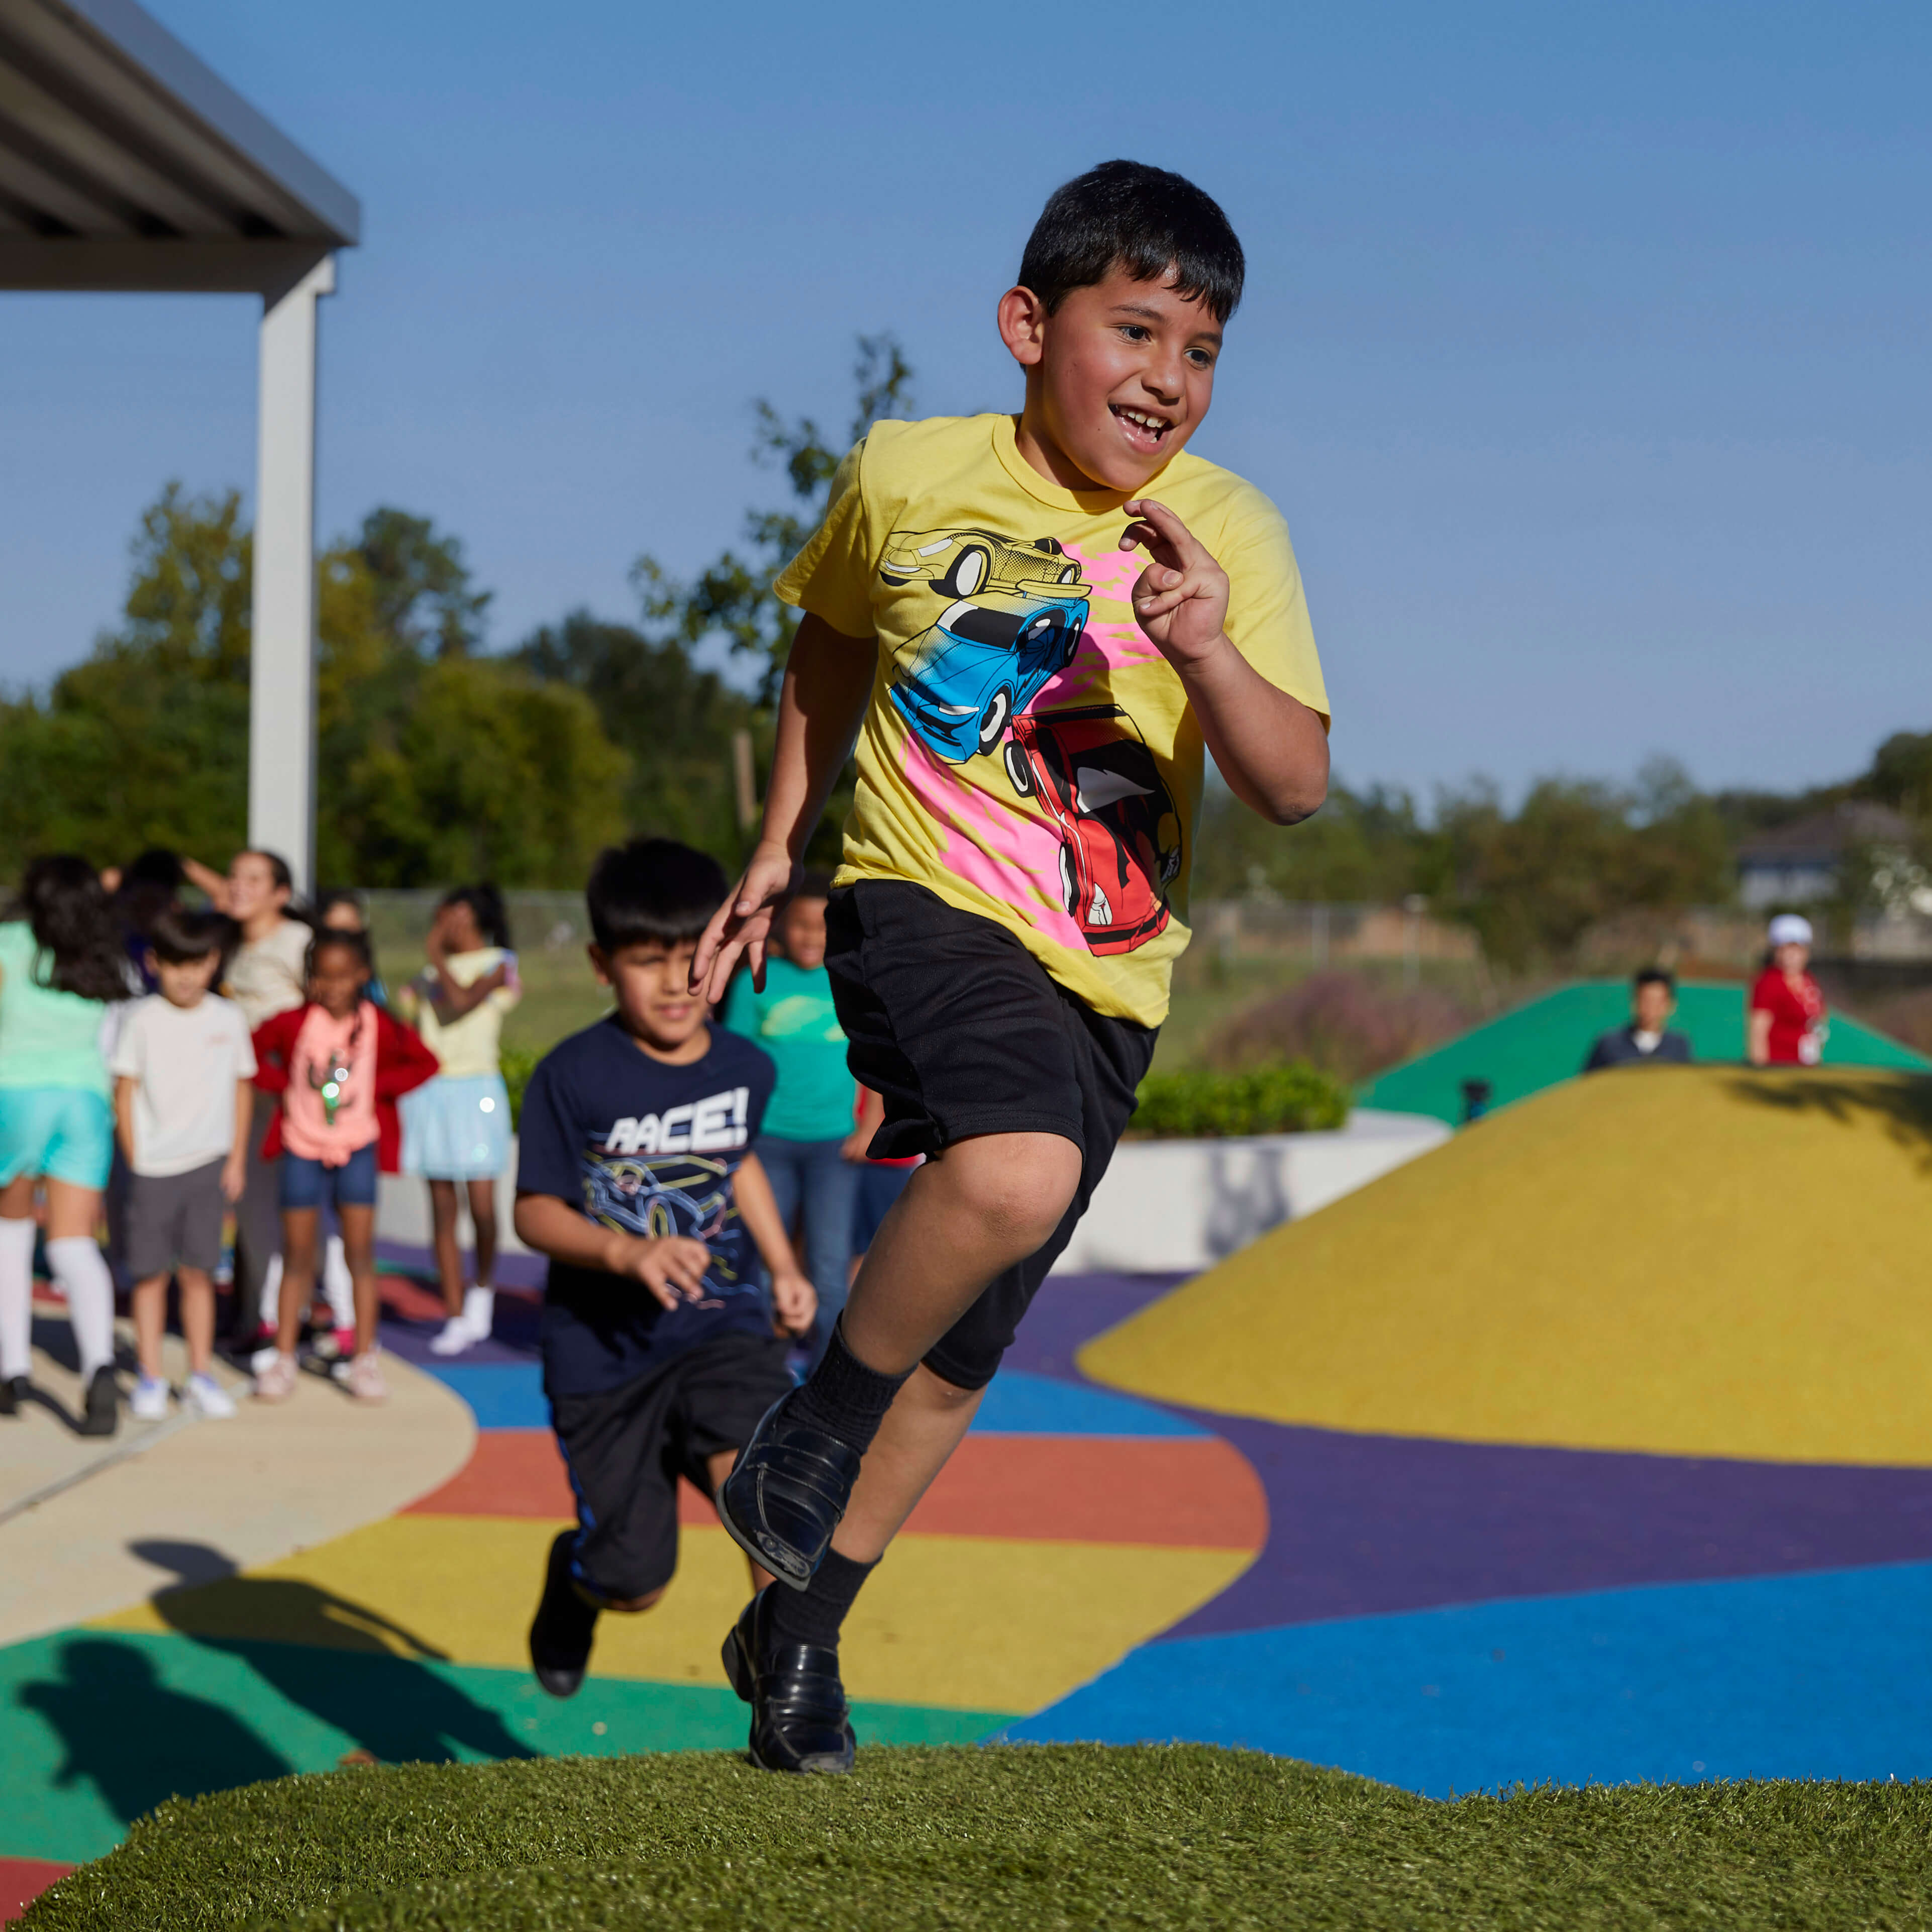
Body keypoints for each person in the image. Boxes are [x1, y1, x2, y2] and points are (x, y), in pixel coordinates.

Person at [689, 159, 1331, 1773]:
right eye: (1135, 332)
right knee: (1017, 1167)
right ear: (1027, 325)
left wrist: (1203, 642)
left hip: (1108, 976)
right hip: (921, 902)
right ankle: (803, 1435)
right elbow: (832, 631)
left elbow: (1296, 782)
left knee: (968, 1349)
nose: (1166, 381)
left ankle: (800, 1628)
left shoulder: (1228, 528)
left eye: (1200, 352)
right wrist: (780, 840)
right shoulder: (908, 473)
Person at [514, 838, 816, 1703]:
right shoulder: (571, 1077)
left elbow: (739, 1162)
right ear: (604, 964)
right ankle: (575, 1581)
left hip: (721, 1330)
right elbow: (533, 1211)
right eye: (651, 963)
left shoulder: (744, 1067)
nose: (679, 983)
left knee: (771, 1504)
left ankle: (784, 1692)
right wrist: (626, 1251)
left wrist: (786, 1267)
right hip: (602, 1359)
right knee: (636, 1578)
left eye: (694, 960)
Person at [249, 928, 437, 1404]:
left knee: (358, 1255)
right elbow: (251, 1051)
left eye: (342, 976)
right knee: (297, 1253)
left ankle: (364, 1360)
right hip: (301, 1145)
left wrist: (374, 1087)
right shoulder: (293, 1022)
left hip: (357, 1147)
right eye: (321, 977)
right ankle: (285, 1356)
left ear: (362, 976)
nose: (331, 986)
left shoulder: (380, 1024)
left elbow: (425, 1062)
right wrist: (281, 1086)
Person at [0, 857, 132, 1433]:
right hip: (84, 1101)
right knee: (74, 1243)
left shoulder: (9, 944)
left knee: (10, 1230)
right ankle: (99, 1361)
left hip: (14, 1094)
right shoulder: (107, 957)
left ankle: (12, 1367)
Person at [109, 907, 253, 1422]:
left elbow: (242, 1088)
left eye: (196, 962)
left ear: (214, 961)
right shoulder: (140, 1017)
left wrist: (235, 1158)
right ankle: (149, 1375)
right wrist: (136, 1157)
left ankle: (199, 1374)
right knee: (148, 1277)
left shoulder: (229, 1018)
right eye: (173, 963)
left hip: (209, 1166)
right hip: (152, 1168)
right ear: (154, 963)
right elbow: (123, 1092)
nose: (186, 974)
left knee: (199, 1274)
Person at [722, 870, 864, 1370]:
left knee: (829, 1266)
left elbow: (877, 1059)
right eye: (801, 924)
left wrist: (870, 1126)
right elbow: (734, 1059)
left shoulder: (853, 978)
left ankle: (826, 1369)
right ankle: (765, 1360)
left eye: (822, 926)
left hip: (834, 1146)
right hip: (767, 1144)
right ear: (781, 926)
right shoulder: (753, 980)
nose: (811, 936)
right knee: (763, 1259)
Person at [396, 885, 522, 1356]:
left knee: (483, 1204)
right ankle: (452, 1311)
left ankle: (482, 1291)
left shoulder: (499, 964)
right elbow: (409, 1024)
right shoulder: (426, 974)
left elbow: (462, 1002)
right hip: (433, 1093)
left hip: (479, 1092)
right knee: (443, 1206)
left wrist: (435, 957)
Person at [201, 850, 311, 1350]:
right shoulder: (228, 945)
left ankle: (313, 1315)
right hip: (244, 1101)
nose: (238, 886)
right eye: (233, 876)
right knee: (251, 1208)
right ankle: (265, 1316)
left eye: (253, 878)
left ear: (280, 894)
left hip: (295, 1105)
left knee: (306, 1209)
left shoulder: (298, 941)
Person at [1749, 913, 1828, 1067]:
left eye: (1796, 949)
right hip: (1779, 1067)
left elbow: (1819, 1018)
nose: (1790, 955)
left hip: (1806, 1065)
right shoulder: (1769, 982)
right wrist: (1761, 1071)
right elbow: (1758, 1033)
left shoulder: (1808, 979)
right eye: (1784, 949)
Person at [1583, 968, 1694, 1072]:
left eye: (1657, 1001)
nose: (1651, 1007)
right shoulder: (1609, 1045)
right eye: (1646, 999)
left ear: (1669, 1004)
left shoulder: (1679, 1046)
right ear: (1635, 1000)